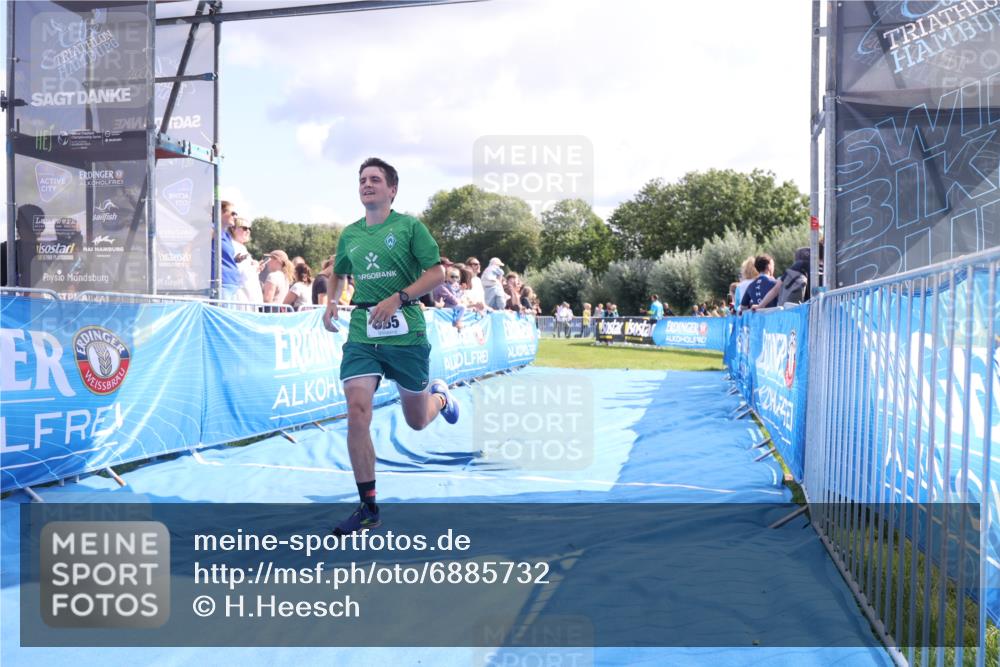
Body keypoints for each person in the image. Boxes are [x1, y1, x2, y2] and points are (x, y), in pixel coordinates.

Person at [322, 157, 459, 536]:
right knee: (357, 407)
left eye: (375, 180)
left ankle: (442, 398)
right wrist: (331, 301)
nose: (367, 184)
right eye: (362, 179)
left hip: (406, 332)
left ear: (392, 189)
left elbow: (437, 273)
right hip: (364, 334)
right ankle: (368, 508)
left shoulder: (410, 227)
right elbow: (337, 271)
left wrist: (398, 298)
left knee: (416, 420)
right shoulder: (350, 234)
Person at [757, 244, 820, 309]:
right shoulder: (821, 269)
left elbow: (775, 289)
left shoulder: (797, 267)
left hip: (800, 311)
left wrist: (760, 306)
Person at [214, 200, 241, 300]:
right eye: (233, 213)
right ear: (220, 212)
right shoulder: (213, 230)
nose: (236, 217)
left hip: (232, 284)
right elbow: (190, 246)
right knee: (220, 315)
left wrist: (235, 260)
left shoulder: (226, 235)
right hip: (221, 284)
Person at [432, 265, 467, 329]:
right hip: (441, 306)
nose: (454, 278)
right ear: (447, 277)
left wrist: (462, 291)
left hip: (448, 304)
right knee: (463, 307)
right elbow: (452, 299)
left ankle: (457, 321)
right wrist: (458, 300)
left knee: (463, 306)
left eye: (457, 277)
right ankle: (458, 321)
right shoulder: (442, 286)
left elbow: (457, 297)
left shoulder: (456, 286)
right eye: (452, 276)